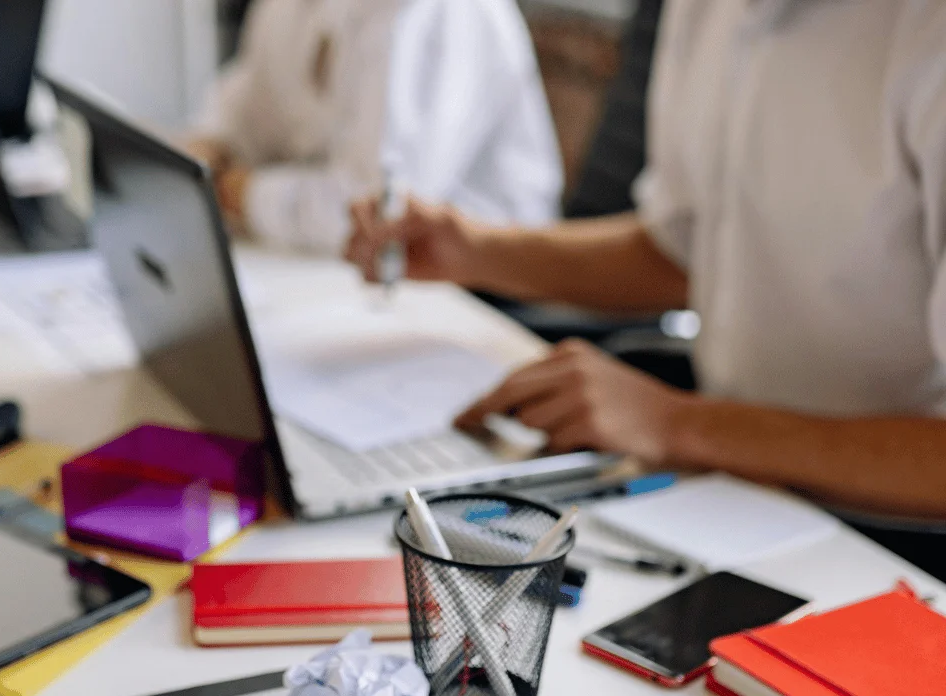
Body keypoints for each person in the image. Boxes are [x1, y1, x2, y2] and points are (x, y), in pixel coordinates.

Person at [345, 1, 946, 551]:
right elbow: (684, 248)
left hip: (894, 538)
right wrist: (475, 251)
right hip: (732, 483)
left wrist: (675, 423)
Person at [186, 0, 564, 255]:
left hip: (477, 290)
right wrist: (208, 152)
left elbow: (377, 210)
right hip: (344, 264)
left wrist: (231, 189)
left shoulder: (438, 11)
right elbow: (242, 118)